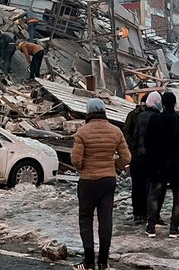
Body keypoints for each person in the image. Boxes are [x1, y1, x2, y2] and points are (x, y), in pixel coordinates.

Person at [70, 98, 131, 270]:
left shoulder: (82, 132)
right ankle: (103, 262)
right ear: (104, 111)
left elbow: (75, 160)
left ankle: (88, 261)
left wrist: (84, 167)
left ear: (88, 112)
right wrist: (113, 166)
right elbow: (126, 158)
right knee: (106, 218)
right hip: (108, 180)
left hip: (88, 181)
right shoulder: (116, 131)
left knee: (85, 219)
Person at [146, 91, 179, 238]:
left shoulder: (155, 119)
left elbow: (148, 142)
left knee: (155, 194)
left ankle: (151, 226)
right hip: (177, 164)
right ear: (175, 104)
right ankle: (174, 228)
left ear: (162, 103)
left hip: (159, 163)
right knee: (178, 196)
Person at [134, 92, 163, 238]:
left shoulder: (139, 116)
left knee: (141, 185)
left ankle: (141, 214)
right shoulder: (158, 117)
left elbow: (135, 134)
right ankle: (152, 216)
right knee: (154, 188)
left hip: (140, 155)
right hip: (154, 156)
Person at [123, 94, 150, 225]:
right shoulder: (133, 115)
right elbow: (126, 131)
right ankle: (138, 213)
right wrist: (133, 144)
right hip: (136, 156)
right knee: (137, 186)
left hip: (148, 156)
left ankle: (147, 212)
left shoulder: (153, 115)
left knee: (148, 186)